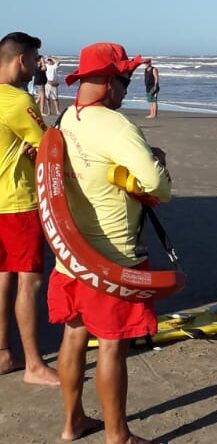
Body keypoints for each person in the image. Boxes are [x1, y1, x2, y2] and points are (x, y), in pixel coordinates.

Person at [50, 42, 171, 443]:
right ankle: (117, 435)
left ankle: (72, 423)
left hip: (70, 256)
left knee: (73, 335)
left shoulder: (69, 118)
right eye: (124, 80)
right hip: (112, 258)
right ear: (105, 81)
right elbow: (157, 186)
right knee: (112, 347)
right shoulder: (116, 125)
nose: (127, 90)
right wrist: (154, 166)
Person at [0, 32, 60, 386]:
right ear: (21, 60)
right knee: (30, 281)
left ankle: (4, 353)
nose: (38, 65)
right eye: (36, 60)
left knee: (3, 276)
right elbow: (50, 146)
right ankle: (35, 364)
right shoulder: (17, 101)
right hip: (18, 203)